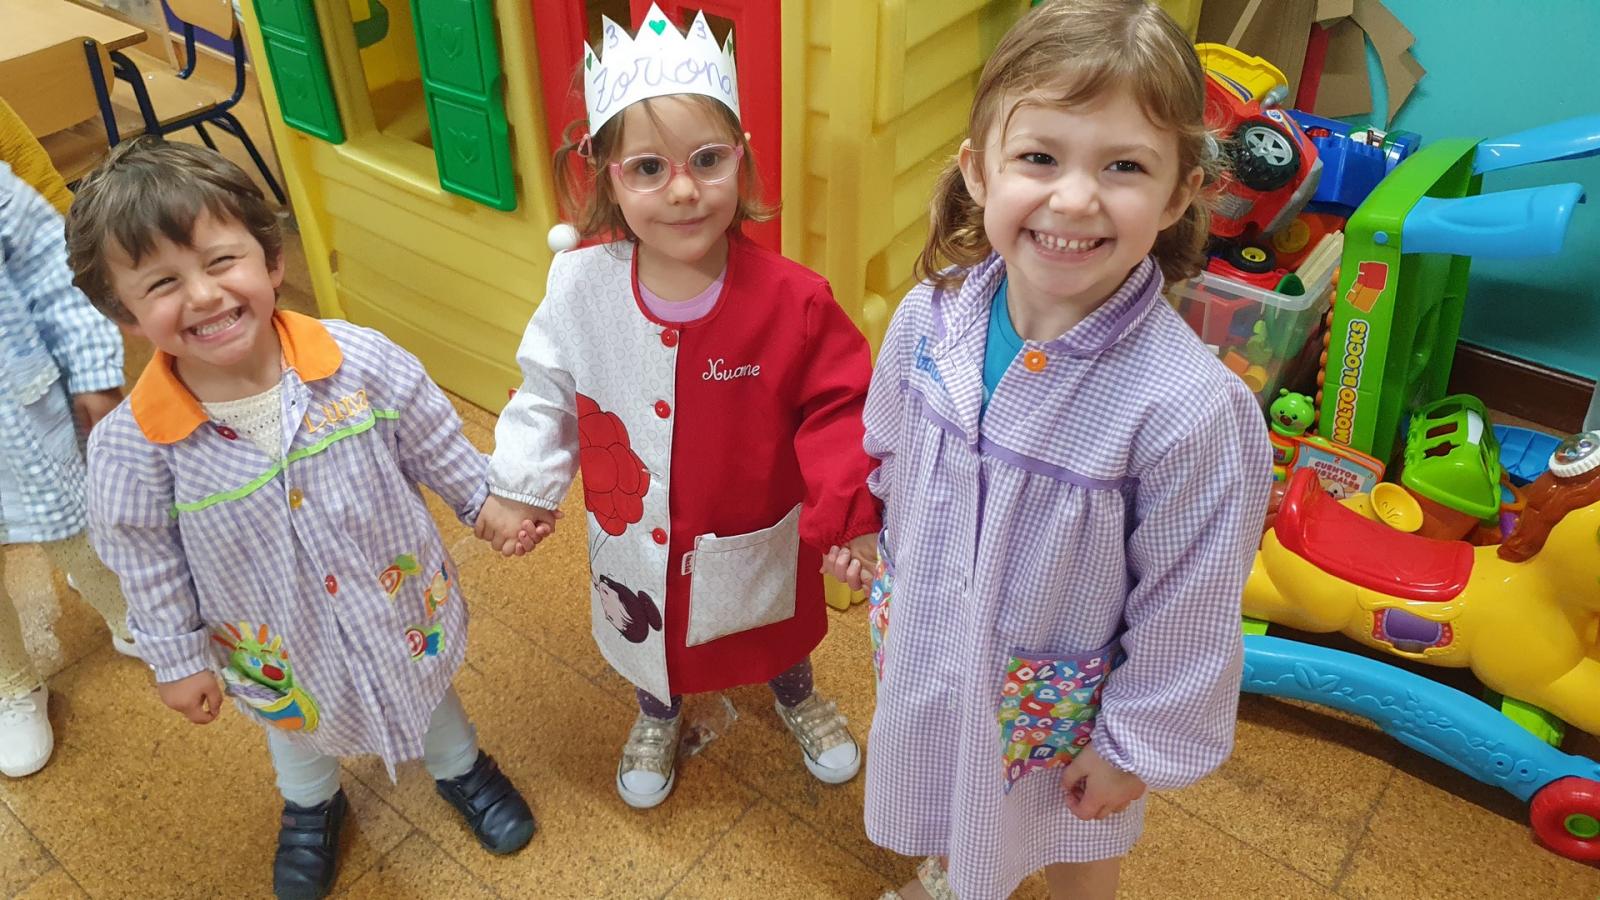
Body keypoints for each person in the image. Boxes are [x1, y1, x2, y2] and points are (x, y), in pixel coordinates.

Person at [840, 2, 1272, 897]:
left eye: (1124, 166)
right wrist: (868, 532)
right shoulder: (928, 320)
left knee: (1076, 838)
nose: (1074, 198)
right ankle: (956, 876)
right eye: (1039, 157)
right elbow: (886, 448)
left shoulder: (1187, 409)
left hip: (1064, 704)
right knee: (955, 784)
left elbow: (1189, 608)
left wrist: (1131, 749)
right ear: (979, 170)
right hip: (931, 635)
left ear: (1179, 193)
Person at [70, 138, 535, 899]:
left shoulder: (358, 360)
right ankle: (313, 806)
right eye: (163, 283)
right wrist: (176, 658)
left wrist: (483, 501)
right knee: (295, 731)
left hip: (396, 608)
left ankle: (461, 768)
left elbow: (430, 434)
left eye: (221, 262)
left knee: (430, 694)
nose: (203, 295)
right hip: (274, 642)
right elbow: (143, 558)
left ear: (272, 259)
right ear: (126, 313)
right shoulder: (133, 448)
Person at [477, 4, 881, 809]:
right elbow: (546, 390)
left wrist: (851, 515)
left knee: (774, 628)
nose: (685, 190)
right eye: (649, 168)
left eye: (707, 159)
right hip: (634, 534)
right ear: (608, 177)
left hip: (752, 522)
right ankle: (658, 714)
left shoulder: (795, 300)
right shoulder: (580, 289)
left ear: (742, 158)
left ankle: (798, 696)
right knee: (648, 628)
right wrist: (520, 486)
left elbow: (841, 410)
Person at [0, 160, 132, 778]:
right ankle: (12, 684)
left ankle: (131, 616)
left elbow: (54, 277)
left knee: (78, 524)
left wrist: (93, 370)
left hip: (22, 415)